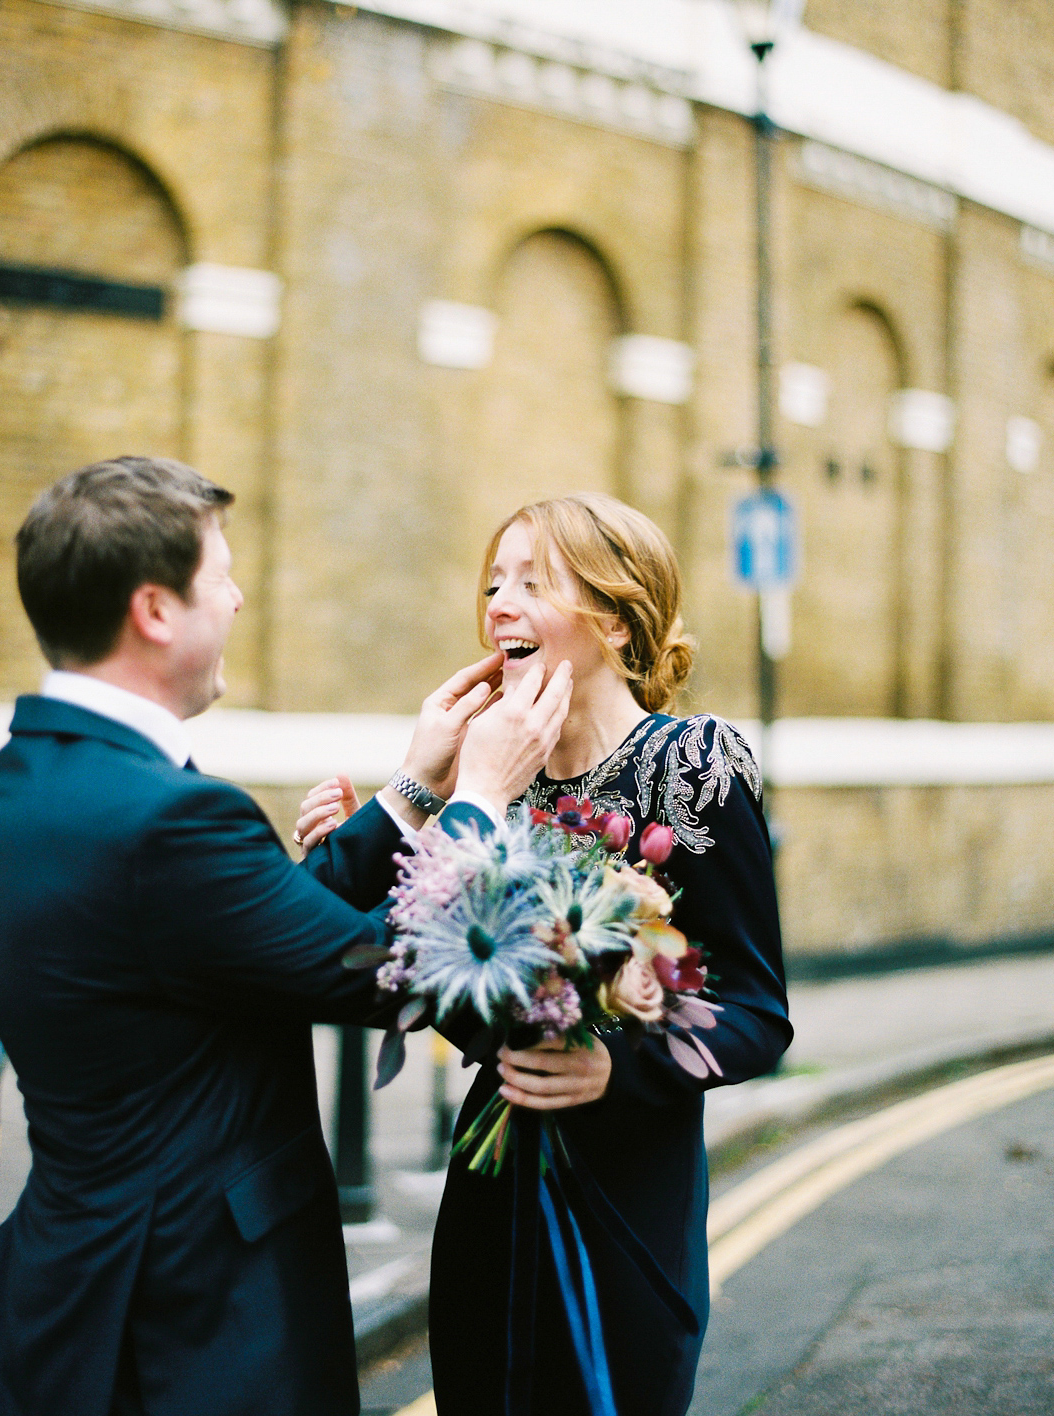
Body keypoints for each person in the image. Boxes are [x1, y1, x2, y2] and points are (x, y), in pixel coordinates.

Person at [0, 455, 572, 1416]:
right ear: (155, 611)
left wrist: (411, 792)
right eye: (218, 575)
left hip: (75, 1292)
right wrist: (477, 800)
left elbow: (243, 942)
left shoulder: (0, 805)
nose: (236, 598)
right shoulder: (168, 822)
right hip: (200, 1317)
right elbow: (376, 974)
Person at [300, 492, 790, 1416]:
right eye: (492, 583)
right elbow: (338, 949)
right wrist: (388, 819)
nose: (498, 603)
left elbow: (757, 1012)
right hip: (490, 1191)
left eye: (533, 581)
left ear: (614, 613)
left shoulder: (698, 765)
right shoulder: (483, 782)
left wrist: (619, 1064)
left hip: (630, 1198)